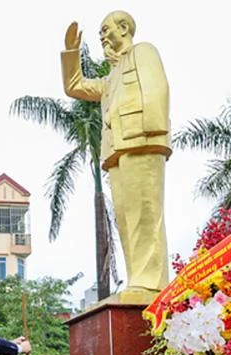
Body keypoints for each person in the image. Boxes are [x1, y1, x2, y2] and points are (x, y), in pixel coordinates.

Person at [61, 11, 171, 303]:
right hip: (117, 148)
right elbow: (75, 86)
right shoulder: (111, 78)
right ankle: (140, 280)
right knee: (127, 218)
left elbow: (158, 88)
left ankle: (152, 285)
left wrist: (150, 131)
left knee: (145, 214)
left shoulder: (143, 52)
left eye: (105, 29)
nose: (101, 36)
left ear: (124, 27)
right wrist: (71, 52)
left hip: (142, 140)